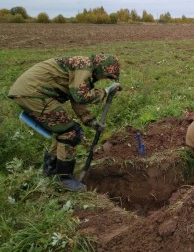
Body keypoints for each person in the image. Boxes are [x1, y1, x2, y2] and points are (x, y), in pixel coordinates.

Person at [8, 54, 122, 191]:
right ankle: (64, 179)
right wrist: (106, 90)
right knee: (71, 132)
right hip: (35, 93)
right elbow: (81, 96)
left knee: (63, 131)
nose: (104, 79)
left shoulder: (84, 67)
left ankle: (50, 172)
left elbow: (77, 99)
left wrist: (90, 120)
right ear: (103, 68)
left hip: (31, 92)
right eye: (107, 76)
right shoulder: (84, 65)